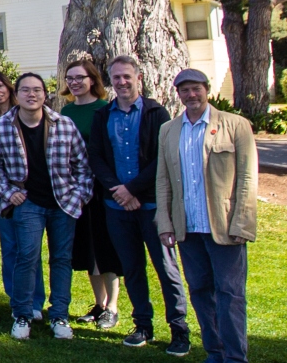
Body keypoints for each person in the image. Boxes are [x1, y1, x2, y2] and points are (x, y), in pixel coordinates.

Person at [88, 56, 188, 355]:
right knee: (132, 269)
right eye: (116, 77)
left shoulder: (156, 113)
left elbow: (162, 158)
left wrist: (132, 189)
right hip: (117, 208)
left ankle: (179, 329)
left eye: (126, 76)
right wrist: (118, 191)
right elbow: (96, 157)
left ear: (138, 77)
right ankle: (142, 324)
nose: (121, 82)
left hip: (152, 207)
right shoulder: (103, 116)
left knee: (166, 268)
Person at [0, 73, 93, 341]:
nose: (32, 95)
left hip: (62, 203)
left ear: (45, 94)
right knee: (26, 256)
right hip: (27, 203)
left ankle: (59, 316)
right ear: (16, 94)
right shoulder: (2, 126)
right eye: (26, 90)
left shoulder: (63, 125)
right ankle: (23, 314)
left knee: (61, 260)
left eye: (37, 90)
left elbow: (82, 166)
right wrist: (9, 192)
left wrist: (78, 196)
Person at [156, 68, 256, 363]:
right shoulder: (169, 130)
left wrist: (241, 222)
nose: (191, 95)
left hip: (225, 227)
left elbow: (248, 178)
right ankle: (215, 353)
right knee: (200, 290)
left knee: (230, 294)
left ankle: (235, 357)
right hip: (188, 228)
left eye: (196, 88)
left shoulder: (235, 125)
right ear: (178, 94)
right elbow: (163, 180)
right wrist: (165, 223)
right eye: (184, 90)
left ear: (207, 89)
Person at [59, 59, 122, 330]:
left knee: (105, 247)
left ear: (92, 79)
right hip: (75, 190)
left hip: (101, 189)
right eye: (70, 78)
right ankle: (99, 304)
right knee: (86, 248)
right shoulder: (66, 112)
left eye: (80, 77)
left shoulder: (105, 110)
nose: (74, 82)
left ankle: (113, 307)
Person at [0, 70, 45, 318]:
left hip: (30, 192)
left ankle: (36, 300)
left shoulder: (31, 114)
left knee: (30, 247)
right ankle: (16, 298)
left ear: (10, 88)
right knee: (10, 246)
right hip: (3, 193)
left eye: (0, 86)